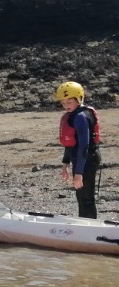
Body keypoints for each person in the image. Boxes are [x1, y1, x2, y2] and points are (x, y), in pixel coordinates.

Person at [55, 81, 102, 219]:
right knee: (80, 196)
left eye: (69, 102)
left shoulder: (81, 117)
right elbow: (70, 143)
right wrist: (65, 164)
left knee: (86, 197)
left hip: (87, 159)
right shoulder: (72, 116)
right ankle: (83, 224)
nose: (66, 106)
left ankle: (90, 229)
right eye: (63, 103)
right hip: (79, 159)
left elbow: (84, 146)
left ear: (78, 99)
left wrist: (79, 173)